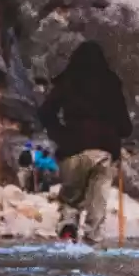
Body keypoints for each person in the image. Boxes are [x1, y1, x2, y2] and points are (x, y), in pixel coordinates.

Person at [39, 41, 132, 245]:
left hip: (73, 148)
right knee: (97, 203)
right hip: (105, 151)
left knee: (71, 198)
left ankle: (68, 229)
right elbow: (125, 126)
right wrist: (116, 131)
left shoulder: (68, 80)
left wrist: (60, 134)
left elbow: (46, 112)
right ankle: (93, 240)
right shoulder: (111, 83)